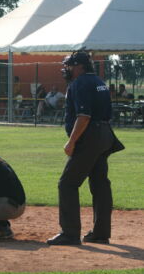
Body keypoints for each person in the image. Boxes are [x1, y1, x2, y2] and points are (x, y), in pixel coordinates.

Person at [47, 51, 124, 246]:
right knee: (100, 184)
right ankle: (100, 233)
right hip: (105, 134)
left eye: (70, 65)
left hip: (90, 136)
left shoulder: (79, 83)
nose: (67, 69)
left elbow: (84, 116)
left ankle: (70, 233)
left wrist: (71, 142)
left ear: (79, 66)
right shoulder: (99, 80)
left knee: (67, 184)